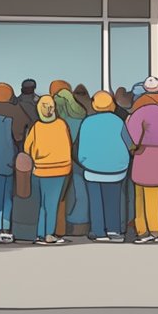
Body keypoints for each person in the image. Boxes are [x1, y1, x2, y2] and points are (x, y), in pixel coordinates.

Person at [126, 79, 158, 244]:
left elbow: (132, 137)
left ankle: (147, 231)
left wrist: (133, 149)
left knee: (144, 195)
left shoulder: (139, 112)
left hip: (146, 158)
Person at [77, 90, 133, 243]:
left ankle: (98, 231)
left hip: (92, 170)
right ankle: (114, 231)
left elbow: (82, 148)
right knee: (113, 200)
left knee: (95, 202)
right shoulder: (118, 121)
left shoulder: (87, 122)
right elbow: (129, 144)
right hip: (116, 170)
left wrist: (85, 161)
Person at [0, 83, 30, 244]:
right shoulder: (16, 111)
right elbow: (21, 133)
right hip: (9, 158)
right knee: (8, 195)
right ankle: (6, 228)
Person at [24, 94, 71, 245]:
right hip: (61, 169)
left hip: (41, 169)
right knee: (52, 203)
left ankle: (40, 234)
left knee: (42, 204)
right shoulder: (62, 125)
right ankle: (49, 234)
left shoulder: (36, 127)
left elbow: (27, 147)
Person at [52, 83, 88, 238]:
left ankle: (60, 226)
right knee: (81, 192)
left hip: (60, 161)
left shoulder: (57, 122)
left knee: (62, 195)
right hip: (80, 161)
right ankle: (81, 224)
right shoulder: (82, 116)